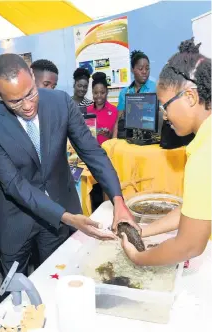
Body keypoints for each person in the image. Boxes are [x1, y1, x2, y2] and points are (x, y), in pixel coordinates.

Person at [0, 53, 136, 284]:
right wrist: (67, 217)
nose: (28, 106)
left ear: (32, 76)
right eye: (15, 102)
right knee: (14, 287)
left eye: (31, 93)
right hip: (18, 217)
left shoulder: (60, 102)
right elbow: (14, 184)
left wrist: (118, 200)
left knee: (57, 279)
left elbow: (92, 152)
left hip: (59, 209)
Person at [121, 38, 211, 266]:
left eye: (165, 105)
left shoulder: (204, 156)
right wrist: (143, 231)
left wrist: (138, 258)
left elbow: (189, 245)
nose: (165, 115)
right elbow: (193, 209)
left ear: (190, 97)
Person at [113, 50, 156, 138]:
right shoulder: (124, 93)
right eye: (140, 69)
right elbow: (118, 121)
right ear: (132, 70)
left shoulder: (156, 88)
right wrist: (114, 141)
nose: (144, 72)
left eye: (147, 68)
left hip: (151, 138)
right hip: (129, 138)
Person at [87, 72, 118, 145]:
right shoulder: (87, 111)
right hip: (90, 152)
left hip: (107, 152)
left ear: (107, 92)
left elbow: (116, 139)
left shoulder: (114, 111)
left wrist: (108, 135)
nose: (99, 96)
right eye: (96, 93)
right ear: (92, 92)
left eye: (102, 92)